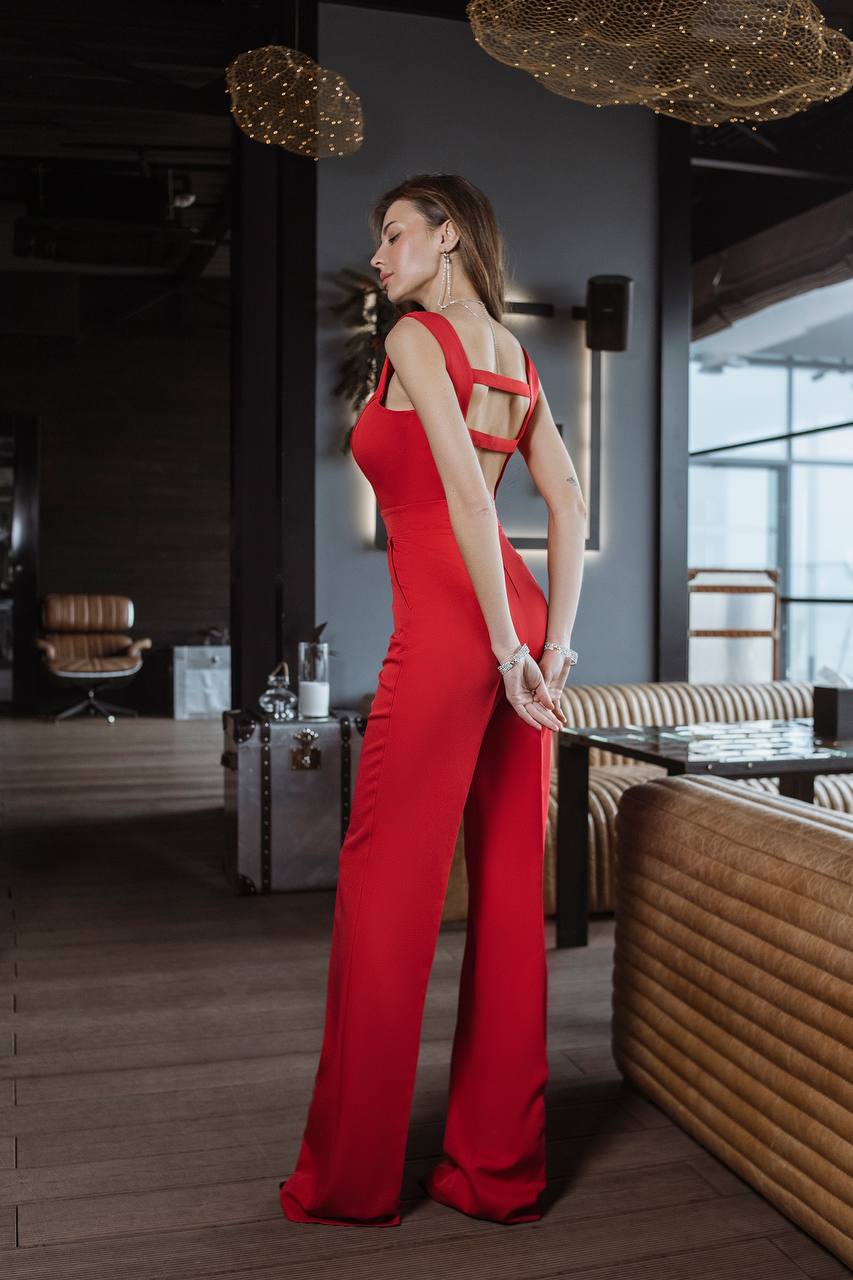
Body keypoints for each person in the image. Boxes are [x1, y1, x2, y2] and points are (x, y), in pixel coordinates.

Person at [279, 173, 587, 1227]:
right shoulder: (520, 357)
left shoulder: (419, 336)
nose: (380, 255)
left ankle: (354, 1178)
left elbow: (462, 491)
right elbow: (567, 500)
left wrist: (503, 649)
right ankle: (493, 1168)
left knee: (385, 893)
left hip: (466, 631)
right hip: (521, 618)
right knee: (507, 894)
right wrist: (552, 642)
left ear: (446, 235)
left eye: (395, 233)